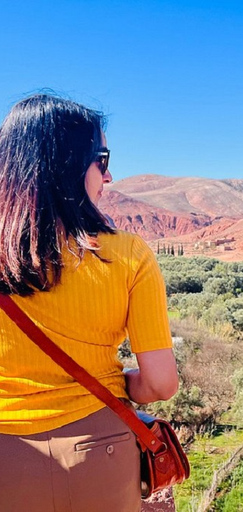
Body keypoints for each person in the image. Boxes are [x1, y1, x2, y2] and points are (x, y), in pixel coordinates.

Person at [0, 93, 179, 512]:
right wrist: (120, 381)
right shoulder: (129, 254)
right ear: (67, 163)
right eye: (102, 158)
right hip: (100, 452)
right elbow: (160, 384)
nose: (110, 175)